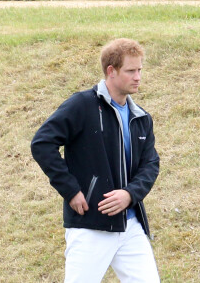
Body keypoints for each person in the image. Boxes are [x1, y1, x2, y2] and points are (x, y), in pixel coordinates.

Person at [31, 38, 160, 283]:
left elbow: (150, 164)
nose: (137, 77)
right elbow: (42, 143)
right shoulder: (82, 105)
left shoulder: (141, 117)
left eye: (140, 70)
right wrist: (71, 190)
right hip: (90, 226)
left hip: (131, 226)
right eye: (130, 71)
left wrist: (130, 194)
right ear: (111, 71)